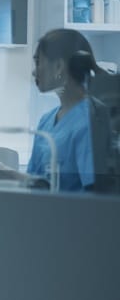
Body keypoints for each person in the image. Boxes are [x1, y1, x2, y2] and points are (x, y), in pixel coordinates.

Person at [26, 28, 104, 192]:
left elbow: (94, 197)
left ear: (59, 67)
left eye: (38, 62)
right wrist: (3, 172)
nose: (34, 71)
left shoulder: (89, 122)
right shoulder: (46, 120)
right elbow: (36, 182)